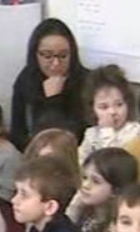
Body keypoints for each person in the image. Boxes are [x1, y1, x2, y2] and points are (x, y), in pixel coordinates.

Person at [9, 18, 90, 149]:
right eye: (47, 56)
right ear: (35, 54)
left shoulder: (86, 82)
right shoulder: (26, 79)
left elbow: (75, 138)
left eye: (63, 56)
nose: (56, 63)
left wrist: (53, 100)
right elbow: (18, 134)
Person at [67, 146, 140, 232]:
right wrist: (74, 208)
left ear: (116, 190)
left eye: (96, 181)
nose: (86, 185)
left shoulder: (114, 229)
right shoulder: (86, 213)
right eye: (84, 178)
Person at [78, 64, 140, 161]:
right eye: (104, 107)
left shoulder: (136, 132)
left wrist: (107, 131)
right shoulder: (91, 134)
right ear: (92, 109)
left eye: (119, 104)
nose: (113, 112)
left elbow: (113, 164)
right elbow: (80, 162)